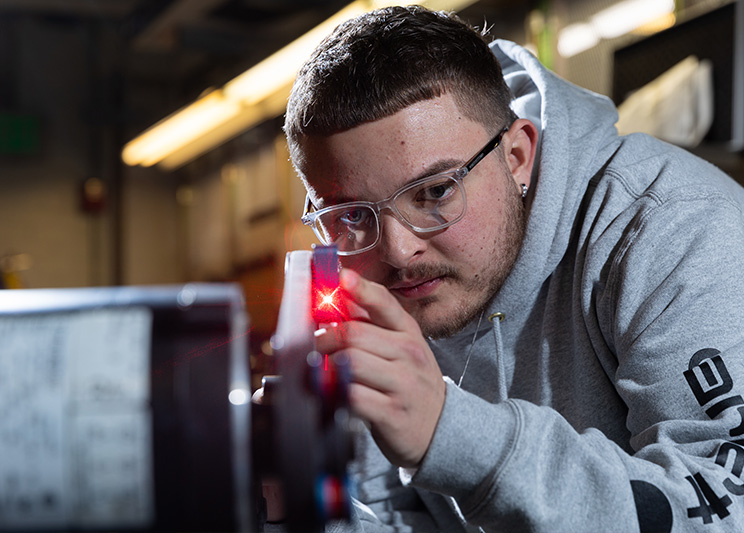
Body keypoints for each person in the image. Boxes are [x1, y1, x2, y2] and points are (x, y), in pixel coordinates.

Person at [280, 5, 744, 531]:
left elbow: (723, 512)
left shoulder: (672, 227)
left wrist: (455, 436)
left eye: (435, 192)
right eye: (351, 216)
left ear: (518, 154)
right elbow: (396, 517)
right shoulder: (363, 282)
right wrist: (287, 503)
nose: (398, 251)